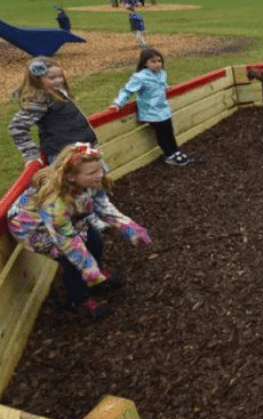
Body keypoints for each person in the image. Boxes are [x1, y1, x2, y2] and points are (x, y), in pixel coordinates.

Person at [6, 143, 151, 320]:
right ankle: (78, 302)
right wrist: (87, 267)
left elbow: (103, 207)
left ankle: (94, 275)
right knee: (71, 261)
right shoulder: (54, 201)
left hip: (68, 217)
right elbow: (67, 240)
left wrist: (129, 228)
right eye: (92, 173)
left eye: (100, 169)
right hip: (33, 229)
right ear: (72, 177)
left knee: (94, 238)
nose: (100, 174)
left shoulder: (91, 182)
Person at [111, 48, 198, 166]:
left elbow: (162, 84)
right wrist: (118, 103)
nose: (157, 64)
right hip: (151, 112)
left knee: (169, 131)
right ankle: (169, 155)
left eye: (159, 61)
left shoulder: (161, 73)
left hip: (163, 109)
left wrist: (167, 87)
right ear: (145, 63)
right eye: (153, 61)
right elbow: (127, 91)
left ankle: (176, 151)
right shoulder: (140, 77)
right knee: (162, 133)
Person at [8, 57, 97, 167]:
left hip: (83, 148)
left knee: (95, 177)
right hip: (64, 155)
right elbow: (17, 127)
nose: (59, 80)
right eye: (52, 78)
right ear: (37, 80)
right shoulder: (39, 100)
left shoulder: (59, 92)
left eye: (60, 76)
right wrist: (31, 154)